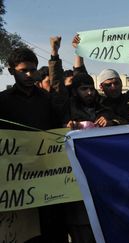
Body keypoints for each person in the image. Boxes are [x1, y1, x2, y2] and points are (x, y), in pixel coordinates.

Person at [0, 47, 68, 242]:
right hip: (16, 182)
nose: (30, 75)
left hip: (48, 177)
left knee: (53, 230)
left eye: (33, 69)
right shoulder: (3, 102)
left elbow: (60, 125)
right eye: (24, 70)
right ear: (12, 70)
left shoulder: (48, 99)